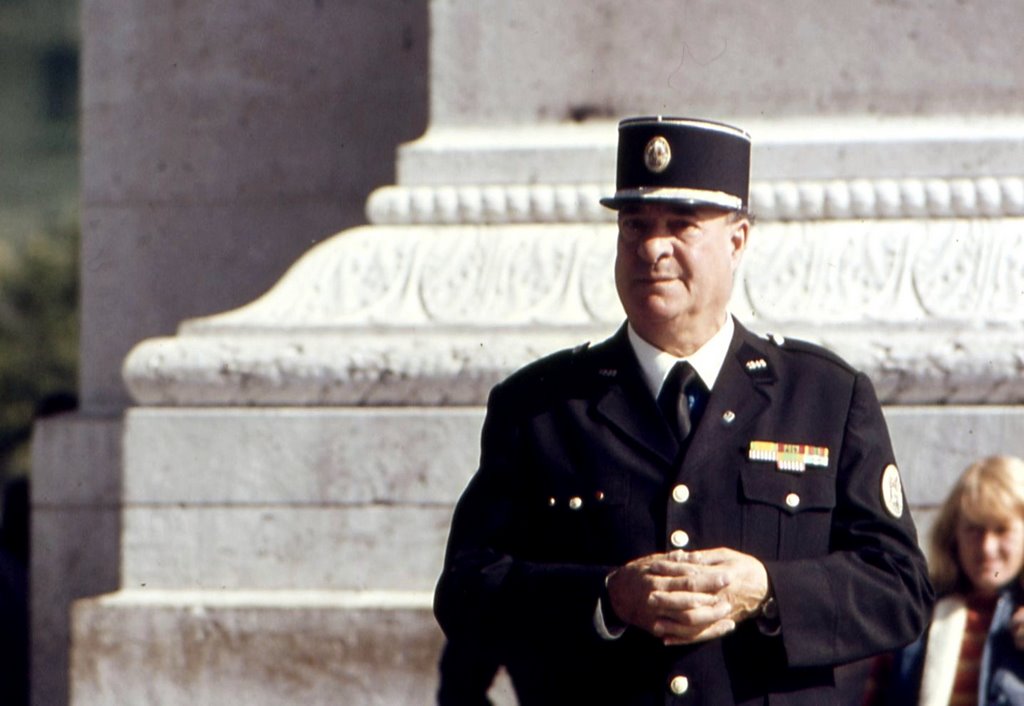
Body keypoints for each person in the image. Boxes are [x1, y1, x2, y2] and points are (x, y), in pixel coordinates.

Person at [434, 116, 934, 705]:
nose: (651, 248)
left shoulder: (823, 396)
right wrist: (606, 598)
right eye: (635, 225)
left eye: (682, 225)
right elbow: (467, 592)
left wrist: (768, 590)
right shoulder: (541, 408)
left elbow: (900, 588)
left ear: (737, 240)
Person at [867, 455, 1024, 706]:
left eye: (1001, 530)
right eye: (974, 529)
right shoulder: (918, 618)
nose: (987, 547)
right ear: (953, 534)